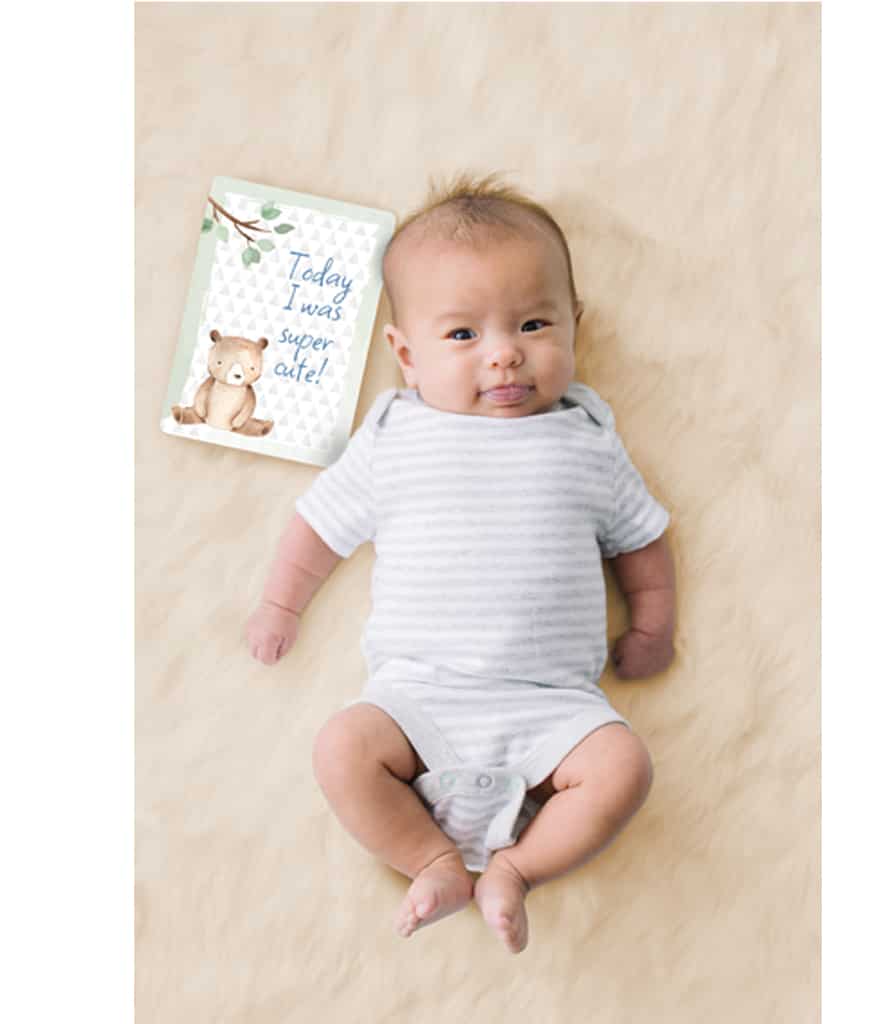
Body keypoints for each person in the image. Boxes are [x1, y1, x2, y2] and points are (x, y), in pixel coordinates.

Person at [245, 172, 676, 954]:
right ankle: (433, 861)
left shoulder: (586, 441)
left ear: (575, 328)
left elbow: (641, 539)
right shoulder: (394, 438)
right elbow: (318, 527)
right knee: (341, 749)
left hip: (553, 708)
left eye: (534, 324)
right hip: (420, 701)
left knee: (625, 769)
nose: (506, 355)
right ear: (406, 354)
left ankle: (517, 869)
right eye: (463, 335)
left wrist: (653, 622)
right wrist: (283, 604)